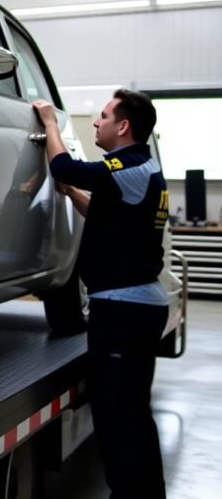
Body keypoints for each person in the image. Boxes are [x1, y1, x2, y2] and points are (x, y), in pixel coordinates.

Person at [32, 89, 169, 499]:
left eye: (104, 116)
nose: (96, 122)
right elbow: (108, 215)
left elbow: (63, 166)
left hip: (124, 311)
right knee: (133, 412)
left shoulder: (126, 167)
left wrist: (51, 124)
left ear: (123, 126)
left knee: (117, 417)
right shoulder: (142, 169)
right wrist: (74, 196)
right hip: (136, 306)